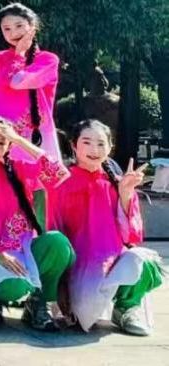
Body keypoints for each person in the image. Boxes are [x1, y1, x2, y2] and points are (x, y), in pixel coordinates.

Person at [0, 116, 74, 331]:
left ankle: (39, 302)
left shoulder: (19, 170)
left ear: (9, 146)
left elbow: (59, 172)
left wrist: (20, 140)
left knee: (58, 244)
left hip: (23, 252)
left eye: (1, 141)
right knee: (12, 287)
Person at [57, 119, 160, 335]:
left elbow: (130, 236)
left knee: (143, 260)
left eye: (101, 143)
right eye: (87, 142)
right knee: (85, 315)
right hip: (79, 265)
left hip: (113, 258)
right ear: (74, 145)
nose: (94, 150)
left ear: (110, 147)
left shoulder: (118, 182)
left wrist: (125, 194)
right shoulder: (60, 181)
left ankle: (126, 308)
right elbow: (53, 232)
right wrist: (60, 283)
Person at [0, 3, 61, 163]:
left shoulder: (48, 60)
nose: (13, 33)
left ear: (32, 27)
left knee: (34, 177)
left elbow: (18, 82)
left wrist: (19, 54)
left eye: (19, 26)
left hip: (31, 138)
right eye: (6, 29)